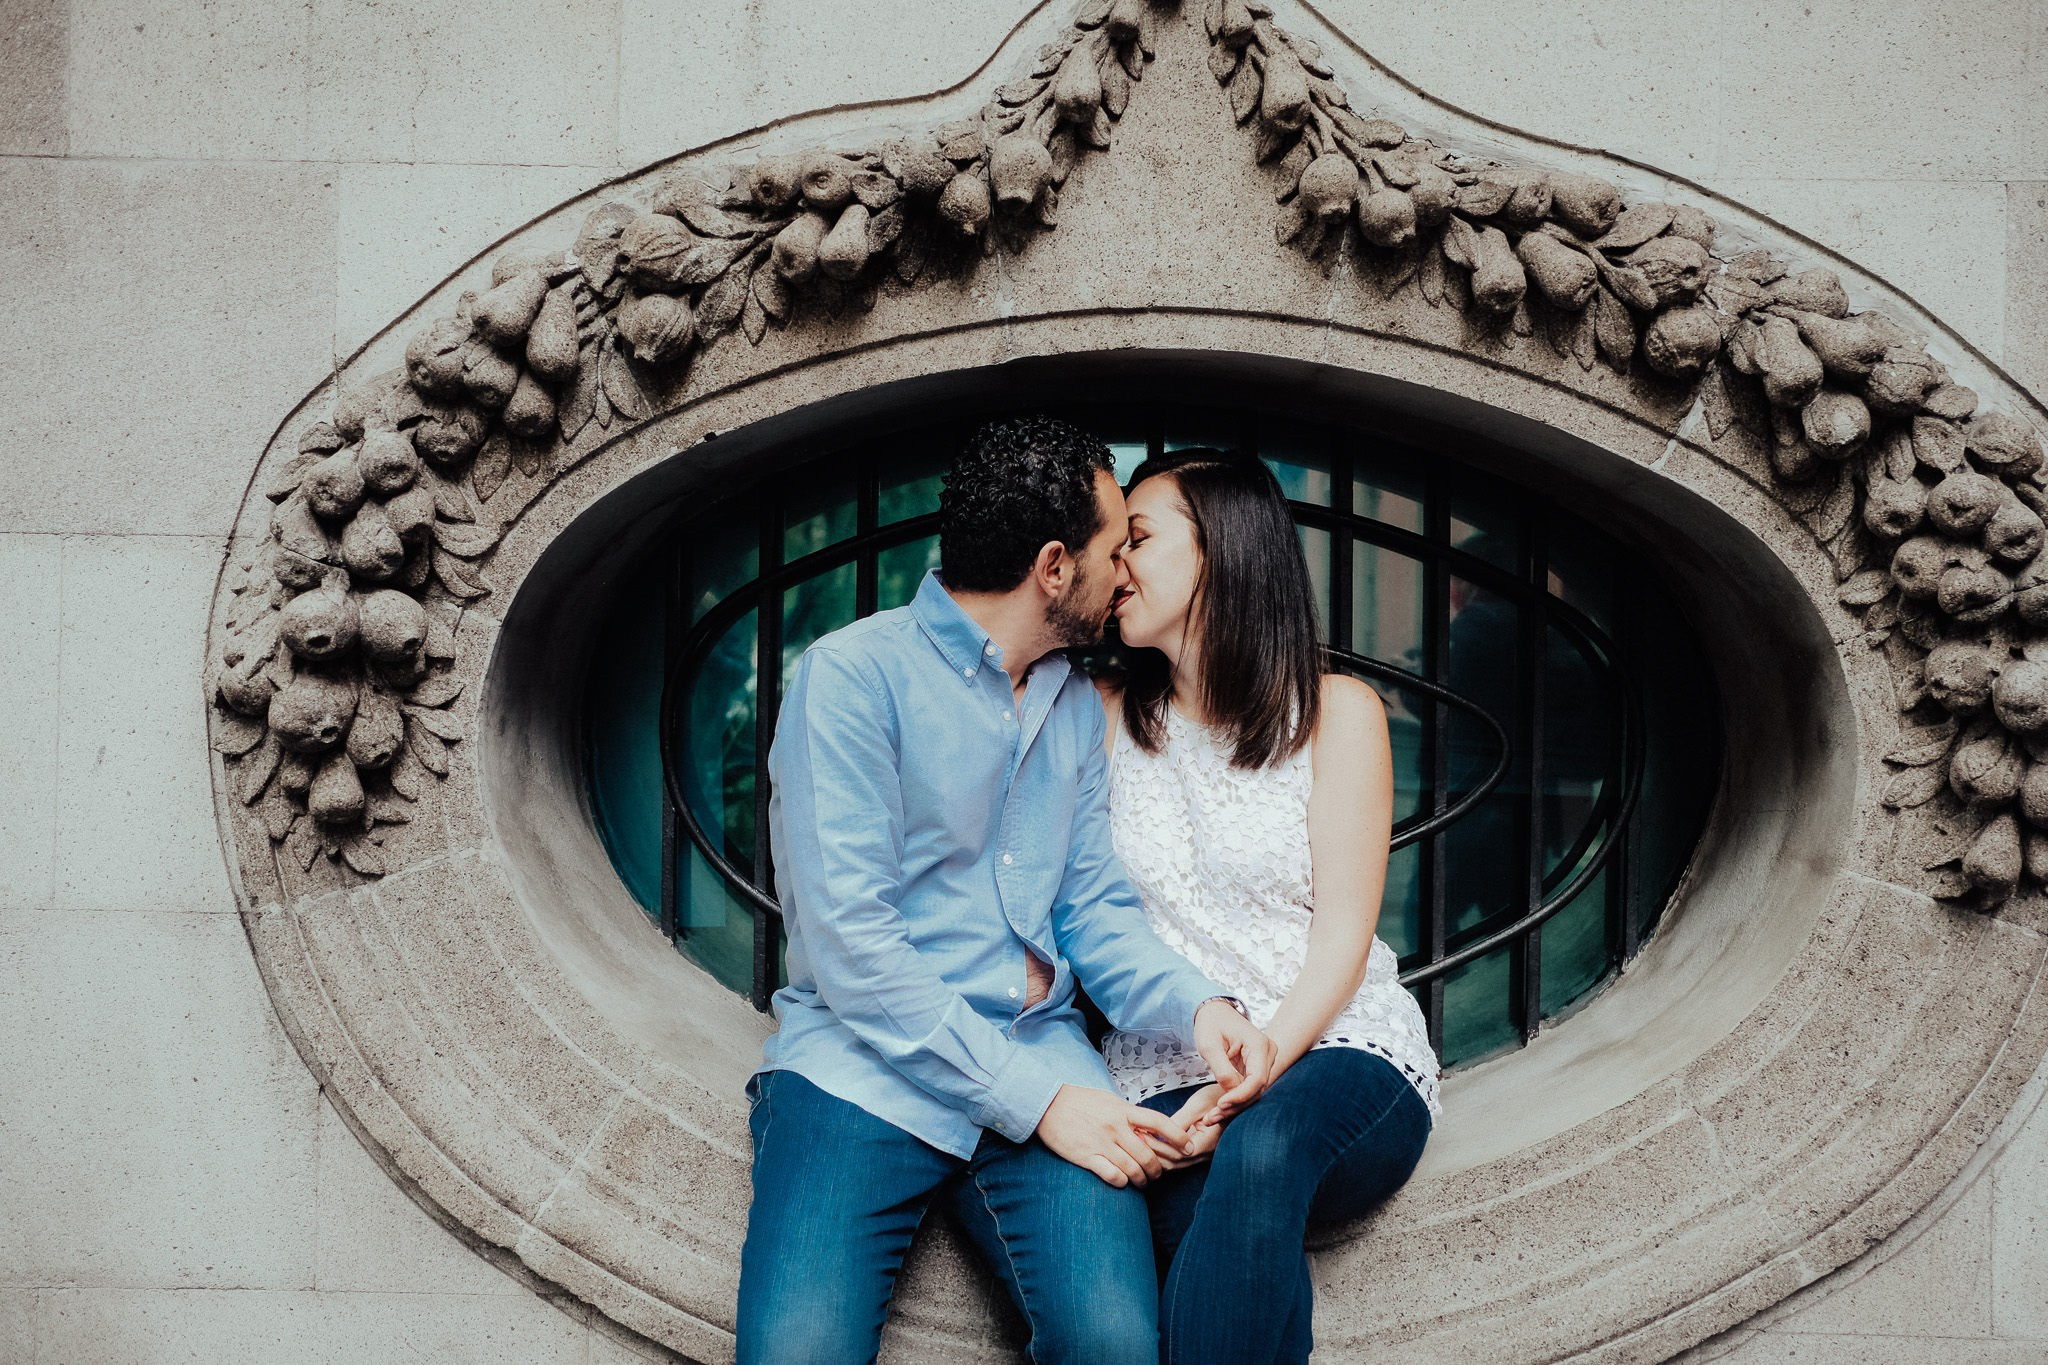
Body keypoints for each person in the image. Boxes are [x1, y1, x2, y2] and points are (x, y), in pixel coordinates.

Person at [735, 417, 1279, 1365]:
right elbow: (855, 955)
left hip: (1043, 1049)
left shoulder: (1073, 701)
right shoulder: (850, 679)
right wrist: (1040, 1102)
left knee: (1114, 1345)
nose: (1127, 571)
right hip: (863, 1065)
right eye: (1118, 548)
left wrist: (1199, 1009)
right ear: (1056, 566)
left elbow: (1092, 909)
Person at [1098, 447, 1443, 1365]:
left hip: (1337, 1049)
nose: (1114, 562)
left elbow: (1344, 935)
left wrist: (1258, 1069)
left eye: (1137, 537)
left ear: (1221, 550)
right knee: (1195, 1238)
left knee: (1261, 1150)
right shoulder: (1099, 714)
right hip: (1163, 1076)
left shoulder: (1339, 711)